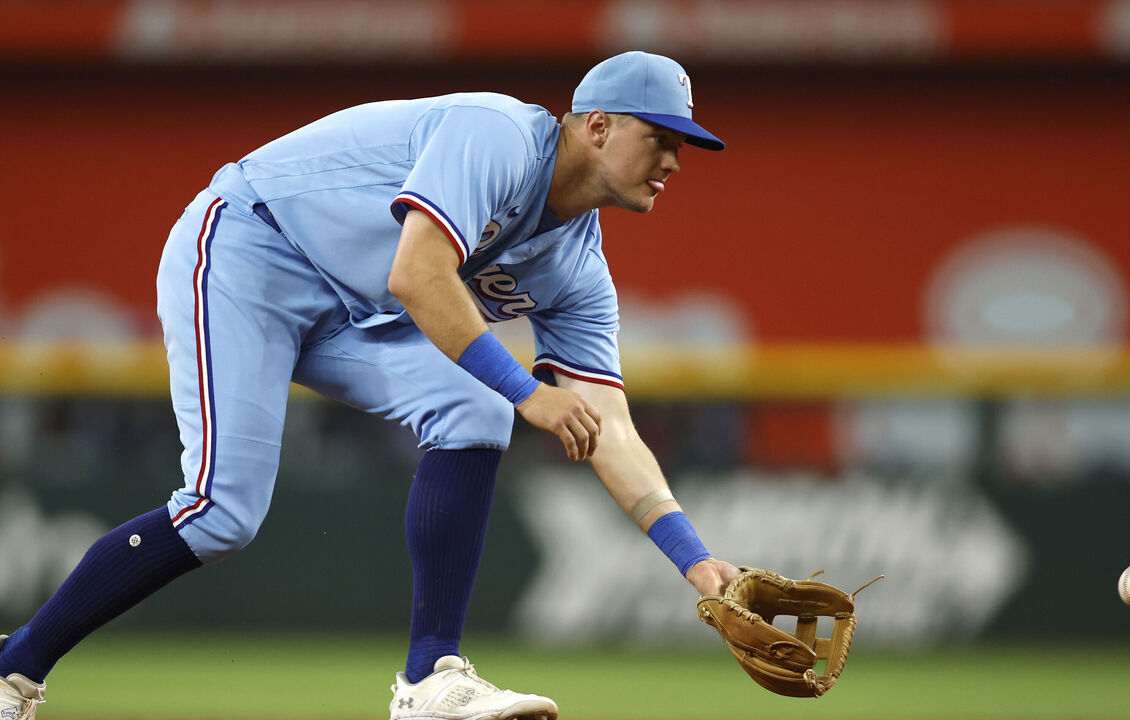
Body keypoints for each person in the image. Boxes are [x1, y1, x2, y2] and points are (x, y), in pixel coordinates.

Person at [0, 50, 740, 720]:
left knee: (471, 407)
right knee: (221, 512)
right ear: (600, 126)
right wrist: (529, 390)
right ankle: (13, 672)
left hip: (347, 310)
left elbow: (610, 425)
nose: (676, 160)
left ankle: (429, 680)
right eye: (663, 137)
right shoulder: (499, 135)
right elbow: (417, 274)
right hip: (248, 246)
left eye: (684, 145)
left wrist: (696, 561)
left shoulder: (578, 268)